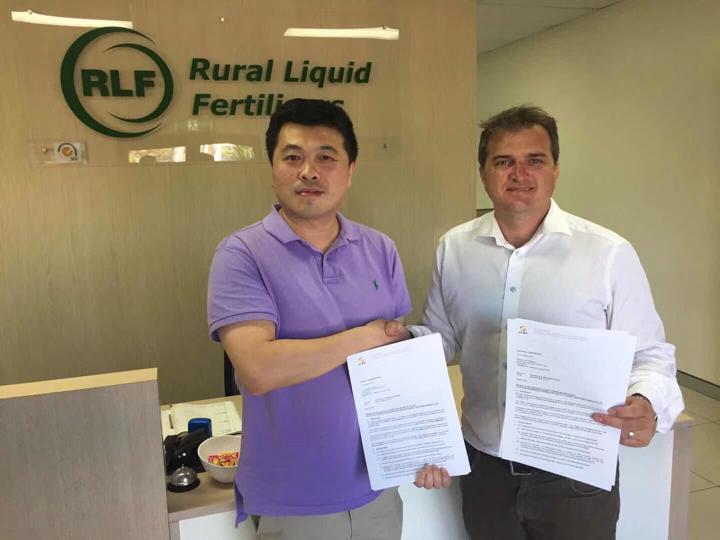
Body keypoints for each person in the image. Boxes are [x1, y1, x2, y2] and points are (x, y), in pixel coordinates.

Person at [388, 105, 684, 540]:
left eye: (535, 160)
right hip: (485, 468)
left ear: (555, 170)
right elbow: (443, 336)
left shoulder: (608, 253)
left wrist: (646, 400)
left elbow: (651, 356)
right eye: (503, 161)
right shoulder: (454, 248)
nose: (520, 174)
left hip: (575, 474)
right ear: (484, 174)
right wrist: (399, 343)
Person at [207, 98, 447, 540]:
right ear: (272, 167)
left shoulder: (380, 248)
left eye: (326, 158)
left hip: (378, 488)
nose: (309, 172)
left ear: (350, 170)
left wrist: (422, 444)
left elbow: (395, 367)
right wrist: (364, 337)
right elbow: (258, 370)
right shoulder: (241, 254)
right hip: (294, 500)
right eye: (292, 157)